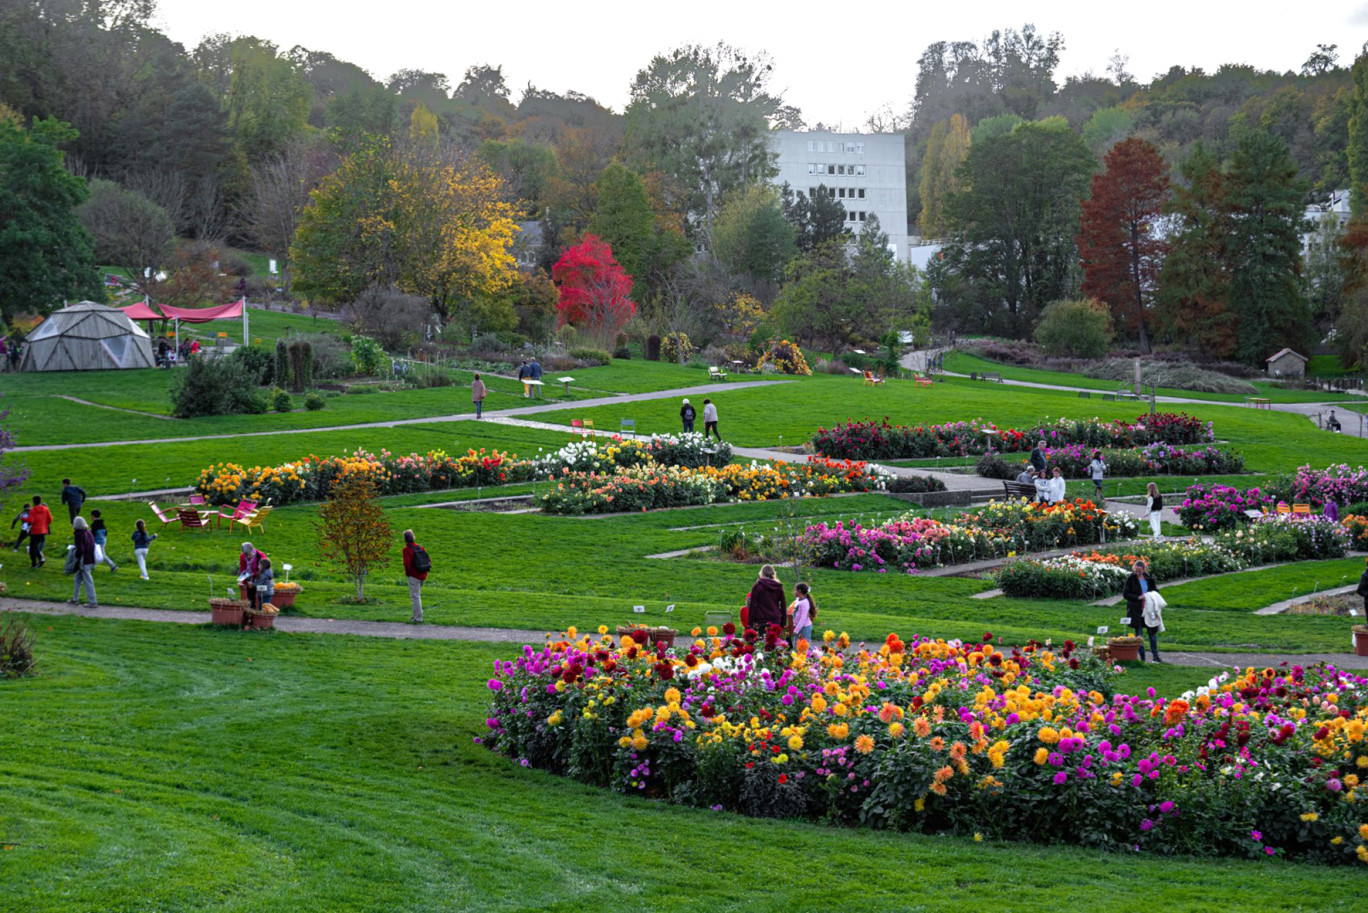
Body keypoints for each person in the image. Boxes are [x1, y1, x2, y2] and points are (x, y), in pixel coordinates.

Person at [1122, 559, 1162, 662]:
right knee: (1139, 634)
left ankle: (1155, 656)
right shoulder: (1130, 579)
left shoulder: (1149, 579)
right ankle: (1142, 657)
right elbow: (1126, 594)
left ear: (1144, 569)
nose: (1137, 572)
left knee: (1152, 634)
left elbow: (1156, 591)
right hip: (1136, 610)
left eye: (1139, 570)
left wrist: (1150, 596)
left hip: (1149, 610)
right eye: (1136, 570)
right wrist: (1138, 597)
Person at [745, 565, 787, 634]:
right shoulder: (778, 586)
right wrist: (783, 623)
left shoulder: (757, 586)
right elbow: (783, 605)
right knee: (774, 642)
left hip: (760, 619)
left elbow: (753, 605)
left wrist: (750, 623)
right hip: (775, 619)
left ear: (761, 573)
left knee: (761, 643)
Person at [401, 529, 430, 623]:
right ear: (413, 537)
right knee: (417, 595)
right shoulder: (420, 547)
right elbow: (428, 560)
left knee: (415, 597)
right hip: (423, 574)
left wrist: (408, 574)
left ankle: (418, 618)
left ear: (405, 539)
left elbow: (407, 564)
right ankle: (416, 616)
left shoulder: (406, 550)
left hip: (414, 575)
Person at [69, 516, 98, 608]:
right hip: (90, 558)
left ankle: (92, 601)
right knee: (77, 579)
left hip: (84, 561)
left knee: (88, 581)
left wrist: (76, 557)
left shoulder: (79, 534)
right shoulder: (88, 532)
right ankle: (75, 598)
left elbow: (80, 549)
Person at [787, 582, 816, 647]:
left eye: (795, 590)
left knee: (806, 644)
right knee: (796, 644)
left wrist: (796, 630)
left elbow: (803, 618)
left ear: (799, 591)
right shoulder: (798, 600)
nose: (794, 592)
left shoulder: (805, 603)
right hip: (799, 626)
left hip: (804, 627)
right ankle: (797, 656)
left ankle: (809, 656)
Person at [27, 495, 52, 568]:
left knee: (32, 548)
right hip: (43, 531)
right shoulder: (46, 509)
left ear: (33, 502)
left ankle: (34, 563)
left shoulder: (32, 510)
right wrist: (44, 525)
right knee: (35, 547)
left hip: (35, 531)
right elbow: (50, 519)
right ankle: (41, 559)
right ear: (40, 501)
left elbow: (31, 521)